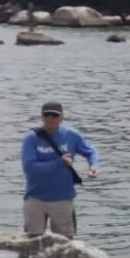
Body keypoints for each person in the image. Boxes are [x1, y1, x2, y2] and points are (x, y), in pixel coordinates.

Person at [21, 101, 100, 239]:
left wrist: (94, 165)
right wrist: (58, 163)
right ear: (41, 117)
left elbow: (90, 151)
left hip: (63, 198)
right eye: (46, 115)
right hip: (35, 198)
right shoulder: (31, 138)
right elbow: (29, 167)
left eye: (54, 115)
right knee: (32, 240)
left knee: (65, 241)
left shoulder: (71, 135)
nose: (50, 118)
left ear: (61, 117)